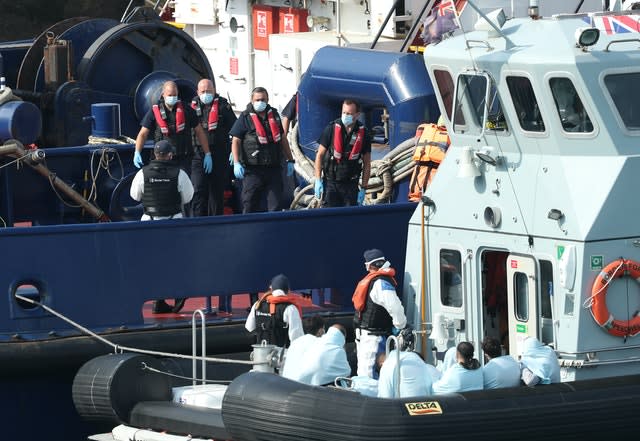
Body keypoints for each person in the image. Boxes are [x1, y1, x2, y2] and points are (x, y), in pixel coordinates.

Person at [129, 140, 194, 313]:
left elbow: (134, 196)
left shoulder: (142, 173)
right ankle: (179, 293)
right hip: (174, 223)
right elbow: (188, 197)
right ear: (170, 155)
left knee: (153, 263)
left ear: (155, 155)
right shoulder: (179, 173)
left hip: (149, 224)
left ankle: (158, 300)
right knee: (177, 261)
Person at [230, 86, 295, 213]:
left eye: (263, 100)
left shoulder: (274, 116)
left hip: (273, 169)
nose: (261, 102)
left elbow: (282, 139)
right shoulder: (245, 117)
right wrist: (236, 162)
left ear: (268, 99)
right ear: (252, 100)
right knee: (249, 203)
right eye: (258, 100)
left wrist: (290, 160)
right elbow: (236, 140)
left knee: (275, 204)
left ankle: (273, 230)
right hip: (253, 170)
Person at [134, 81, 211, 181]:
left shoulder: (187, 110)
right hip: (161, 159)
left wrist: (207, 153)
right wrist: (137, 152)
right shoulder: (154, 111)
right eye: (170, 95)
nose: (173, 97)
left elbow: (199, 132)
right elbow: (143, 134)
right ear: (163, 95)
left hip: (183, 158)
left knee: (183, 188)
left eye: (175, 95)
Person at [352, 248, 407, 377]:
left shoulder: (380, 283)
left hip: (374, 338)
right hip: (366, 336)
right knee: (364, 374)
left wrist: (401, 326)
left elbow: (395, 307)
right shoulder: (378, 282)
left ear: (370, 265)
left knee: (369, 376)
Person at [190, 79, 237, 216]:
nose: (206, 94)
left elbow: (235, 130)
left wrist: (234, 152)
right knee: (197, 189)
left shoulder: (223, 107)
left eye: (209, 91)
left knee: (216, 192)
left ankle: (215, 221)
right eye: (203, 92)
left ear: (214, 91)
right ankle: (196, 222)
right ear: (197, 92)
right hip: (198, 155)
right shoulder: (190, 108)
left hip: (219, 154)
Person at [314, 99, 371, 207]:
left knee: (349, 220)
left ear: (357, 114)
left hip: (351, 185)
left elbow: (367, 163)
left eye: (349, 114)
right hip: (331, 183)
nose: (345, 116)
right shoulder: (331, 129)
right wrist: (317, 180)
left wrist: (363, 188)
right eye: (344, 113)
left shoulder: (364, 134)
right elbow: (320, 155)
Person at [245, 274, 303, 348]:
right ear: (288, 290)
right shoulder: (290, 308)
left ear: (271, 289)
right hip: (281, 356)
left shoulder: (257, 304)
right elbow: (297, 338)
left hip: (260, 355)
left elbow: (249, 327)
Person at [287, 324, 351, 386]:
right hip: (315, 389)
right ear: (342, 339)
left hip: (290, 383)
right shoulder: (338, 350)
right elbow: (347, 375)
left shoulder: (314, 342)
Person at [280, 315, 326, 380]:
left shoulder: (295, 342)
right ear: (320, 331)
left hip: (287, 382)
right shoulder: (321, 343)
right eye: (324, 329)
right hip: (305, 386)